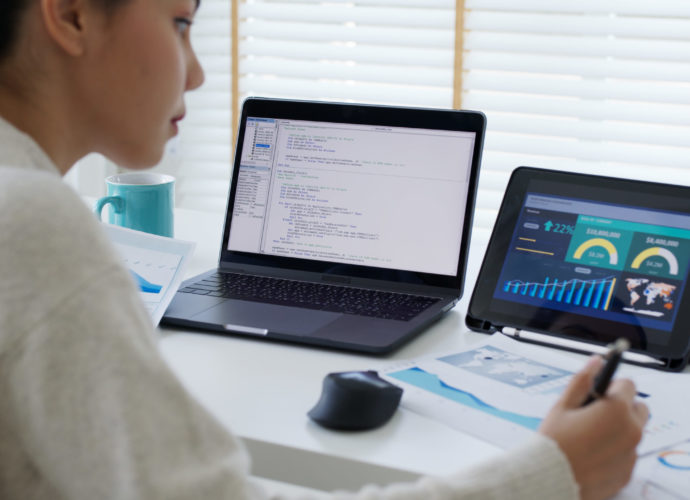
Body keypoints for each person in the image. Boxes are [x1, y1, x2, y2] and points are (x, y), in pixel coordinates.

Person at [0, 0, 649, 499]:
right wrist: (555, 473)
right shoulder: (33, 223)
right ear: (72, 14)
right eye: (178, 22)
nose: (196, 73)